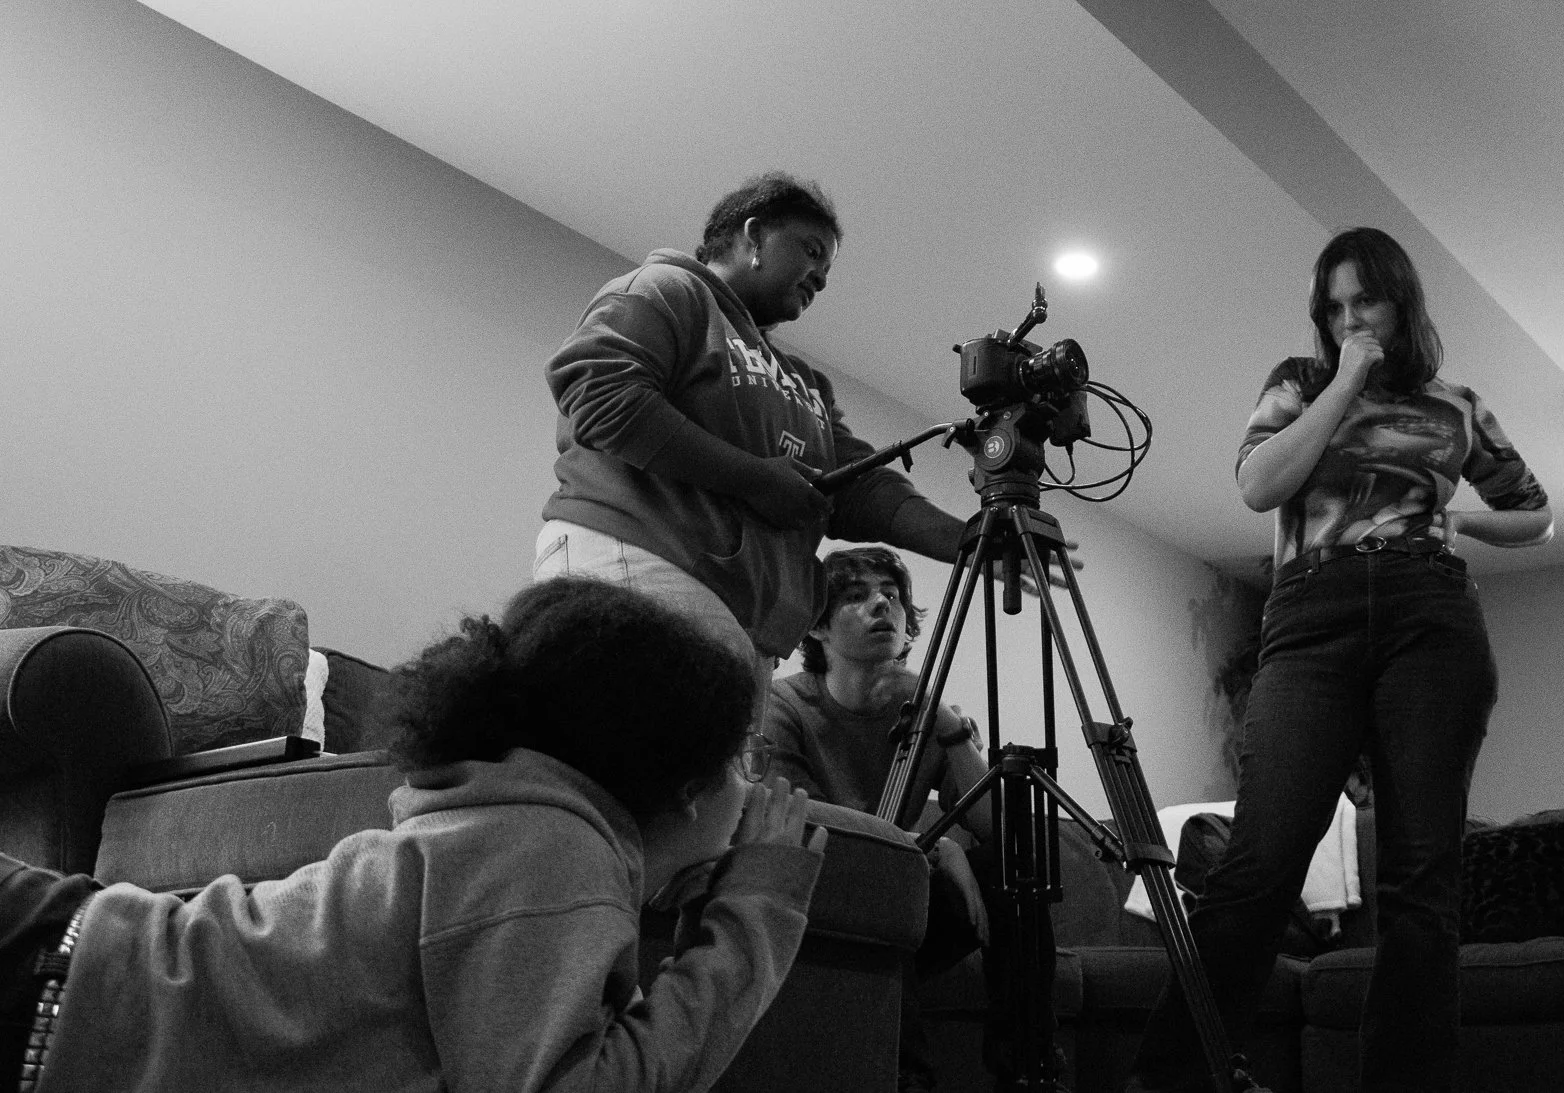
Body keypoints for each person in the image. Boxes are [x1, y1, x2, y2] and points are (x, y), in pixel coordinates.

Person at [0, 576, 826, 1092]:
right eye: (738, 763)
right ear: (683, 786)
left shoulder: (504, 823)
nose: (749, 788)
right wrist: (757, 907)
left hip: (69, 964)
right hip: (59, 987)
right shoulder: (553, 853)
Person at [1127, 226, 1552, 1093]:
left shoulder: (1456, 405)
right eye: (1335, 305)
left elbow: (1536, 512)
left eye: (1366, 300)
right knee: (1259, 864)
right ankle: (1170, 1080)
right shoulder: (1299, 384)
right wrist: (1347, 379)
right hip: (1312, 618)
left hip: (1429, 614)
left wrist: (1463, 521)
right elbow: (1258, 485)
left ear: (1403, 300)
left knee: (1422, 879)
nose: (1350, 316)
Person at [534, 170, 967, 713]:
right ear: (755, 235)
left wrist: (969, 540)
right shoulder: (669, 289)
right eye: (812, 251)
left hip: (738, 622)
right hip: (644, 569)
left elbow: (855, 485)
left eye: (828, 266)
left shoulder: (807, 384)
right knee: (629, 784)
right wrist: (755, 477)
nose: (822, 278)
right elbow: (602, 395)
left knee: (695, 797)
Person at [764, 545, 993, 1093]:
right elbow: (816, 829)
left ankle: (1023, 1067)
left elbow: (994, 827)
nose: (881, 606)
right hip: (817, 891)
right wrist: (937, 848)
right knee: (880, 891)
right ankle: (904, 1079)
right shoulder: (785, 707)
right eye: (856, 596)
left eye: (891, 596)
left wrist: (950, 727)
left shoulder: (925, 711)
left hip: (910, 898)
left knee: (1012, 874)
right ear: (817, 627)